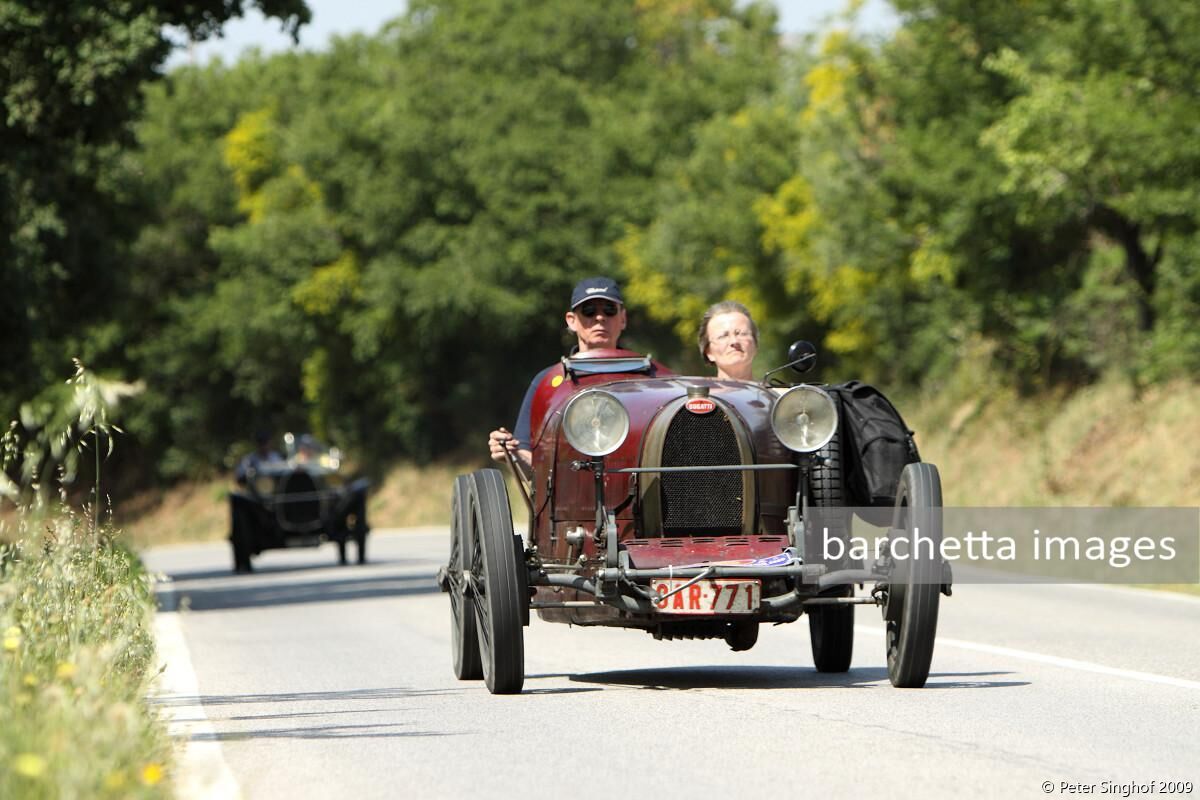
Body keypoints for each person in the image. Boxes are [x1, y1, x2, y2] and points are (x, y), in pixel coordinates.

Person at [488, 277, 628, 475]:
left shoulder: (650, 380)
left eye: (609, 310)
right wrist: (511, 453)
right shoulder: (547, 383)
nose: (599, 318)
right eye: (589, 311)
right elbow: (532, 470)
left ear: (623, 318)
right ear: (571, 320)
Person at [698, 300, 759, 381]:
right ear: (709, 353)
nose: (734, 341)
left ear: (755, 345)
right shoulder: (693, 394)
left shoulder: (775, 393)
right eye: (723, 336)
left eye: (742, 334)